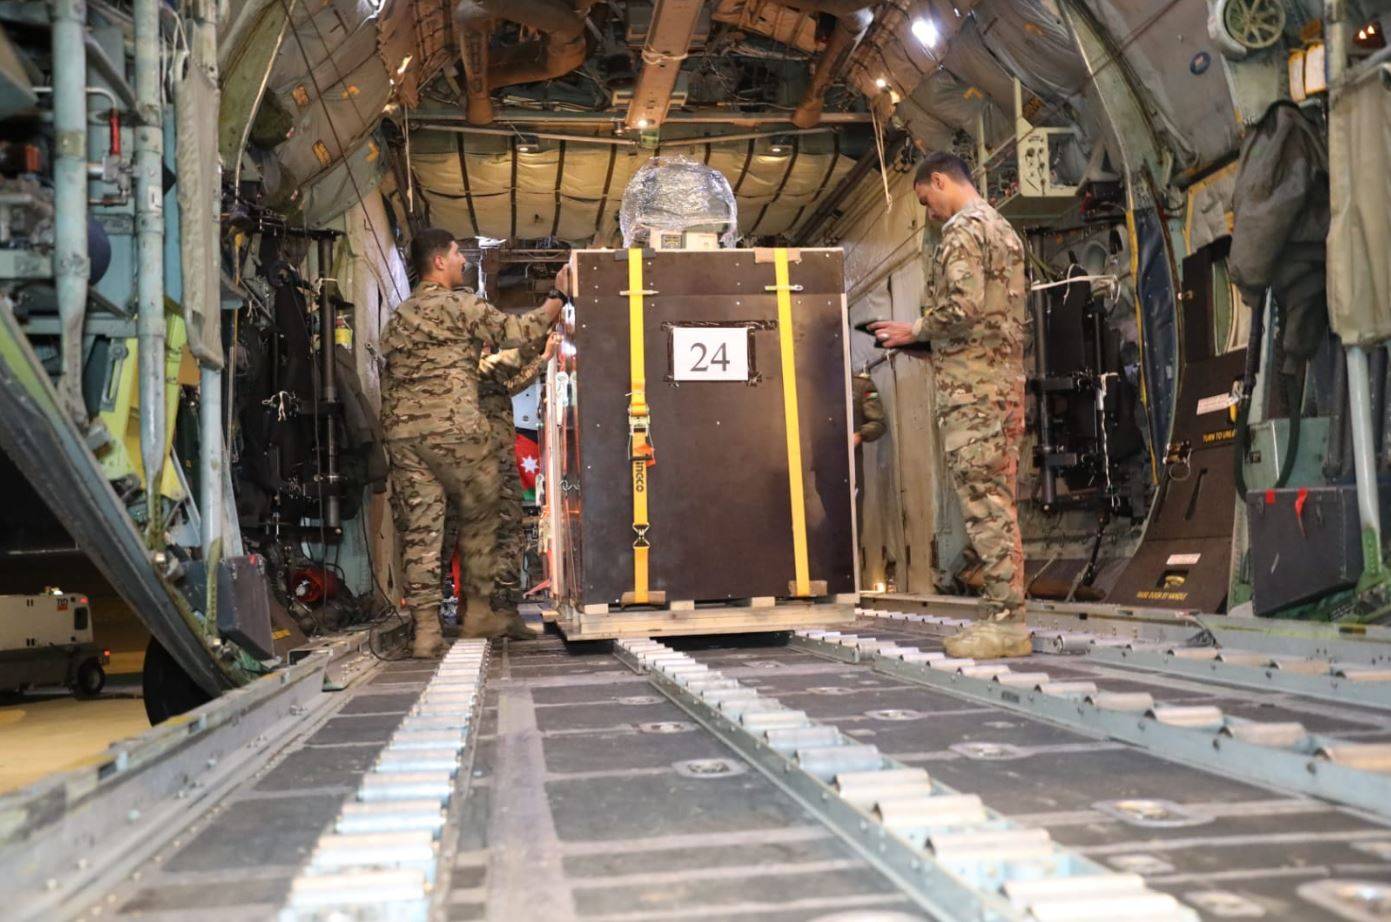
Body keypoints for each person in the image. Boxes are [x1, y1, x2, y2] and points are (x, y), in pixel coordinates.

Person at [869, 152, 1029, 659]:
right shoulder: (1003, 229)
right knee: (997, 503)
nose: (930, 212)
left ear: (939, 181)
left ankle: (1006, 625)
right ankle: (1003, 617)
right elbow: (990, 319)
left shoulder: (962, 230)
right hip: (1000, 387)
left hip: (973, 397)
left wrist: (913, 330)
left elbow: (962, 307)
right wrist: (929, 347)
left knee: (985, 508)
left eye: (926, 200)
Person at [380, 228, 569, 656]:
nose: (463, 261)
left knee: (422, 530)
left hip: (403, 436)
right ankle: (480, 611)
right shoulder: (458, 303)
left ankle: (426, 631)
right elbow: (517, 330)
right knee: (487, 511)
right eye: (456, 254)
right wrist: (557, 298)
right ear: (439, 261)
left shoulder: (399, 316)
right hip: (453, 429)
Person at [477, 329, 560, 616]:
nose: (487, 346)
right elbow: (509, 376)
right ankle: (492, 605)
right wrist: (542, 354)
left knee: (501, 530)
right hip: (485, 463)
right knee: (499, 532)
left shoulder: (472, 371)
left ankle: (493, 604)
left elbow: (511, 382)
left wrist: (544, 356)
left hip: (488, 462)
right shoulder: (472, 369)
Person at [851, 369, 886, 533]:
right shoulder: (812, 388)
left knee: (852, 522)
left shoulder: (862, 386)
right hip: (818, 469)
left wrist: (859, 435)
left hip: (850, 469)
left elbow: (878, 423)